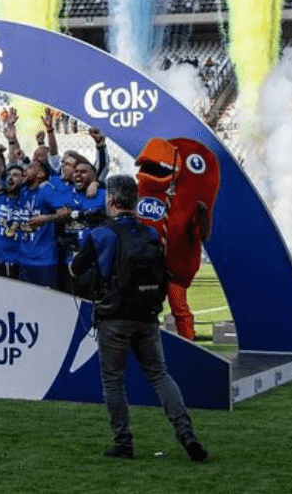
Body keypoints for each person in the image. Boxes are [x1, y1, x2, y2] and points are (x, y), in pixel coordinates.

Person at [69, 174, 208, 462]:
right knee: (160, 375)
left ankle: (123, 441)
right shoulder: (151, 234)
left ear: (110, 201)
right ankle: (186, 433)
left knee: (113, 380)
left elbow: (76, 269)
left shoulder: (101, 234)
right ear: (135, 201)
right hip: (147, 315)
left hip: (114, 316)